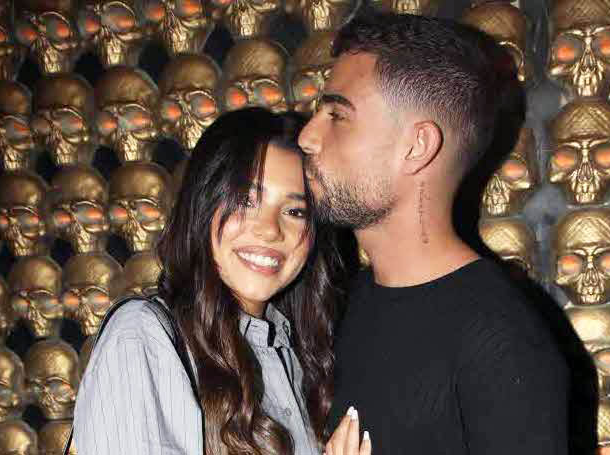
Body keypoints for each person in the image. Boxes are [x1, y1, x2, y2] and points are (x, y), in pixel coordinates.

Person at [299, 13, 571, 455]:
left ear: (417, 147)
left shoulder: (502, 341)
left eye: (337, 115)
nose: (309, 136)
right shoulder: (343, 302)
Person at [74, 108, 347, 455]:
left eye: (295, 211)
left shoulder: (294, 354)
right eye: (246, 200)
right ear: (203, 204)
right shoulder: (144, 335)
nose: (270, 229)